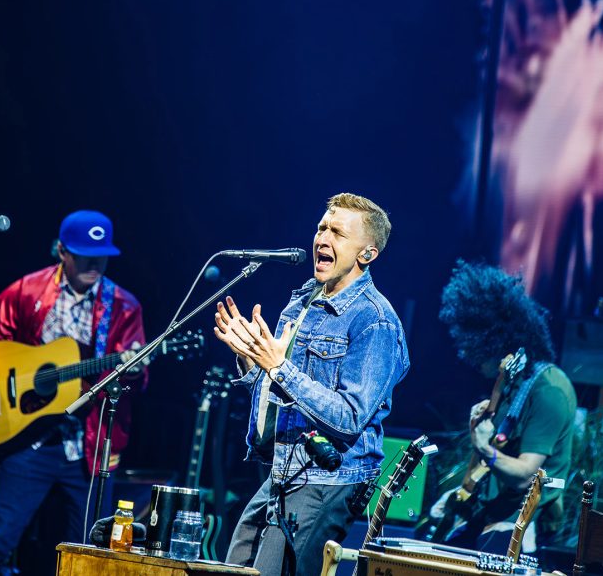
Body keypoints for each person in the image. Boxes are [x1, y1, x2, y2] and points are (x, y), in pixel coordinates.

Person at [213, 193, 410, 576]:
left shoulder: (374, 321)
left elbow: (350, 417)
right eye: (322, 227)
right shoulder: (303, 302)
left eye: (337, 233)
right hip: (282, 470)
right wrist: (250, 359)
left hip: (328, 480)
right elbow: (280, 394)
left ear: (366, 254)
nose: (322, 238)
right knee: (233, 569)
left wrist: (278, 367)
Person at [0, 210, 147, 575]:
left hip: (91, 448)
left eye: (101, 254)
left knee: (90, 557)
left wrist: (135, 372)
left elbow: (136, 382)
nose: (94, 262)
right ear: (62, 251)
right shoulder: (30, 289)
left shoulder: (123, 306)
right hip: (31, 440)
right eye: (83, 253)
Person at [429, 260, 576, 555]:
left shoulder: (549, 391)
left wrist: (484, 448)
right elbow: (496, 456)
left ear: (496, 340)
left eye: (474, 349)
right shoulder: (512, 383)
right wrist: (462, 493)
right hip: (493, 510)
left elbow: (524, 474)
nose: (468, 357)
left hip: (523, 520)